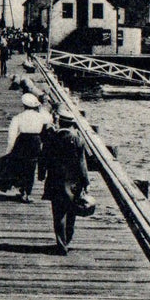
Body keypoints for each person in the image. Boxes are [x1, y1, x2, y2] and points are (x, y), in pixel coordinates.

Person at [40, 108, 90, 255]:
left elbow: (44, 158)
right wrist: (86, 182)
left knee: (58, 213)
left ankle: (61, 244)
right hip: (73, 182)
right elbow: (82, 163)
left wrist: (41, 174)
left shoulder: (52, 138)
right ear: (71, 124)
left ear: (59, 122)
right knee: (71, 212)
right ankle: (68, 239)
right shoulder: (78, 140)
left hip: (55, 180)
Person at [0, 92, 49, 202]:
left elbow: (12, 136)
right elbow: (47, 124)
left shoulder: (18, 117)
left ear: (24, 105)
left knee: (20, 166)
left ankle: (22, 190)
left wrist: (9, 150)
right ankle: (28, 193)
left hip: (22, 142)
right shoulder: (41, 117)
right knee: (31, 168)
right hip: (35, 142)